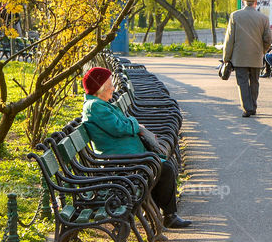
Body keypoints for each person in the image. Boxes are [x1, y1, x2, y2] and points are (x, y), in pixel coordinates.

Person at [80, 67, 191, 228]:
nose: (113, 88)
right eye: (110, 85)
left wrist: (133, 125)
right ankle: (168, 216)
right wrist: (136, 125)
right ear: (100, 88)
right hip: (119, 160)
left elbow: (122, 124)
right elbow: (119, 128)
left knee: (163, 166)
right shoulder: (95, 106)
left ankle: (160, 214)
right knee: (164, 167)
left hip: (126, 155)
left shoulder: (100, 104)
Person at [222, 0, 272, 117]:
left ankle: (247, 108)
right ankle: (253, 106)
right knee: (255, 82)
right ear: (256, 2)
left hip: (239, 57)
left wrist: (226, 57)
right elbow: (268, 38)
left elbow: (229, 39)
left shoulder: (235, 16)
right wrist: (263, 51)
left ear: (244, 1)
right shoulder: (264, 18)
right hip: (256, 56)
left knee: (242, 82)